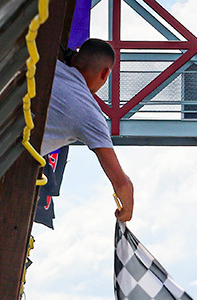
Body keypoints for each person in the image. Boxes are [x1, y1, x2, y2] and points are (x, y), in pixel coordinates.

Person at [41, 38, 133, 222]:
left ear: (75, 57)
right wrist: (126, 212)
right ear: (105, 73)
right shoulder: (89, 113)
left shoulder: (44, 60)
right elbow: (121, 184)